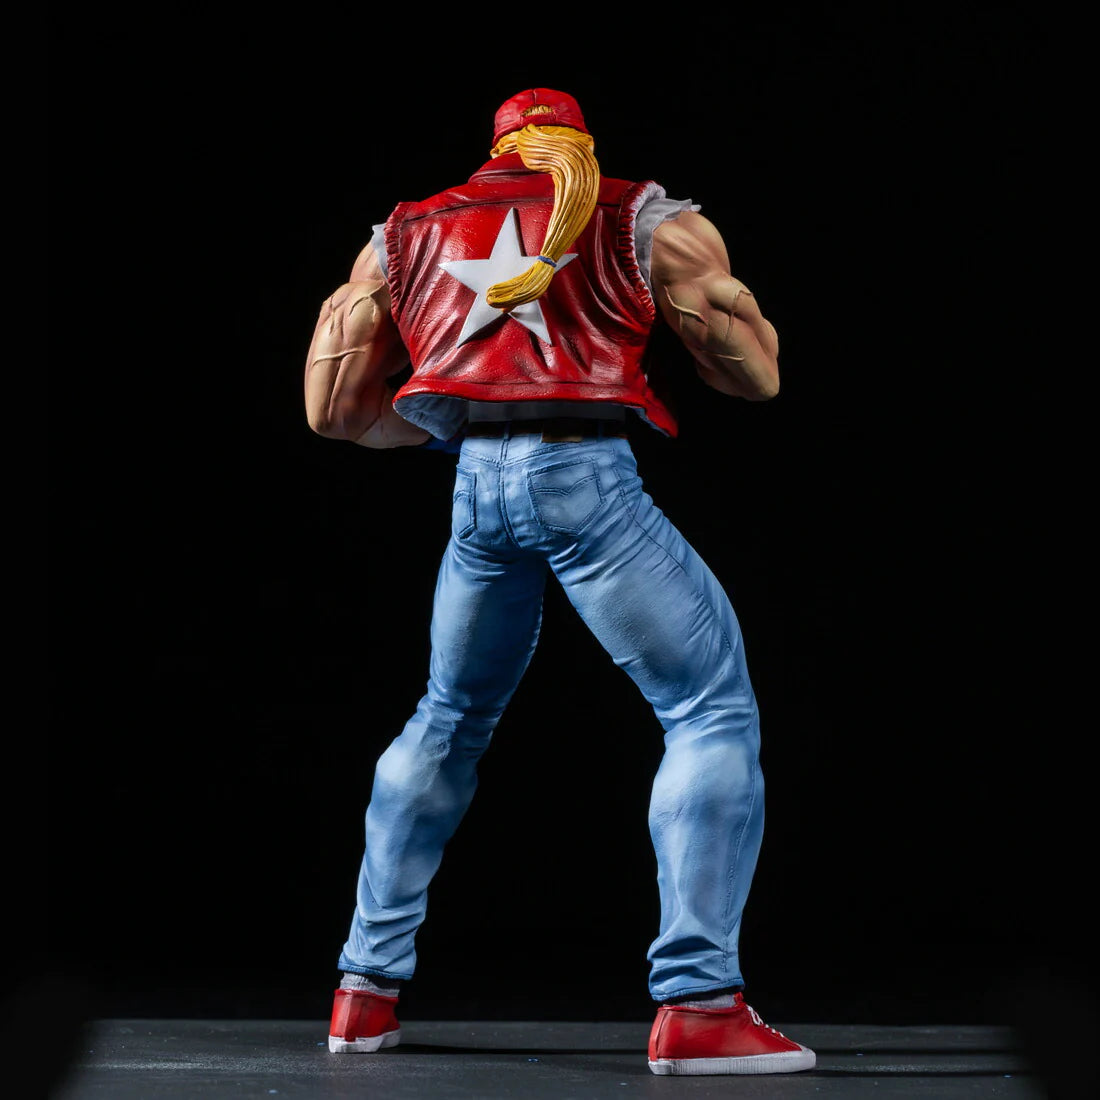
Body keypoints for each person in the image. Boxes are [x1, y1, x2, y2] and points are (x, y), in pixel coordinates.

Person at [303, 88, 815, 1077]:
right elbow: (754, 375)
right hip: (584, 475)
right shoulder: (643, 218)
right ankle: (700, 1005)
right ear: (578, 141)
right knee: (708, 711)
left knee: (446, 716)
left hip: (474, 484)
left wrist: (458, 410)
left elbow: (335, 413)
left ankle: (361, 994)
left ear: (496, 151)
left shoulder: (401, 234)